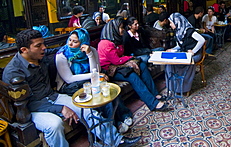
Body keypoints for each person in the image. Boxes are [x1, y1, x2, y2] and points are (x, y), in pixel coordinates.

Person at [2, 29, 140, 147]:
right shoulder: (14, 72)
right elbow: (27, 103)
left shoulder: (38, 56)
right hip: (31, 109)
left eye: (43, 43)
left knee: (86, 108)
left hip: (52, 97)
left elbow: (63, 51)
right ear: (24, 50)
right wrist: (60, 109)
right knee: (54, 125)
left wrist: (88, 50)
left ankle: (116, 141)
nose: (44, 47)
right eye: (39, 45)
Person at [55, 28, 133, 134]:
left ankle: (122, 116)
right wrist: (93, 75)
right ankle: (115, 125)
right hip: (70, 86)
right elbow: (69, 79)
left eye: (75, 41)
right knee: (99, 96)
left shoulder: (91, 50)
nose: (70, 44)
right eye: (70, 40)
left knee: (108, 89)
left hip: (90, 80)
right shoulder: (62, 55)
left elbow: (96, 70)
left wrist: (89, 54)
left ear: (83, 42)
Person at [98, 17, 171, 112]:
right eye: (121, 28)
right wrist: (130, 59)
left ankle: (154, 93)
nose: (123, 30)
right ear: (113, 29)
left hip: (120, 65)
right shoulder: (105, 44)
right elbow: (116, 61)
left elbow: (121, 57)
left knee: (142, 65)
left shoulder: (117, 40)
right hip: (110, 70)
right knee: (132, 75)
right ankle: (153, 103)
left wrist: (129, 60)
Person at [166, 13, 205, 94]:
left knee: (186, 62)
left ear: (176, 21)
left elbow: (202, 40)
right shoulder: (178, 31)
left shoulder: (189, 30)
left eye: (171, 22)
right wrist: (172, 50)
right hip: (185, 53)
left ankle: (184, 88)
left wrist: (193, 52)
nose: (170, 25)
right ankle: (173, 87)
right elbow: (179, 45)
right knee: (169, 63)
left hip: (195, 54)